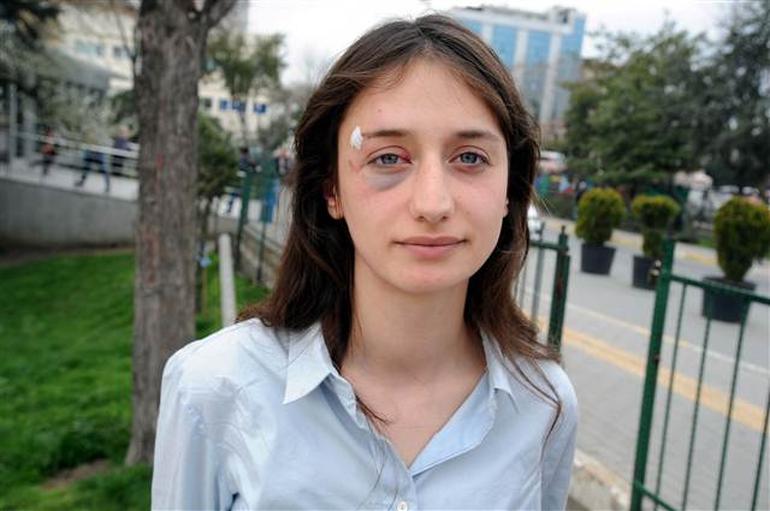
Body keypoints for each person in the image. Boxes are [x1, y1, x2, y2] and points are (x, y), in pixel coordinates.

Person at [152, 15, 577, 510]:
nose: (433, 204)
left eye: (470, 158)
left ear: (509, 190)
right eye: (388, 158)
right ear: (331, 189)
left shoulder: (544, 405)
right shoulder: (214, 387)